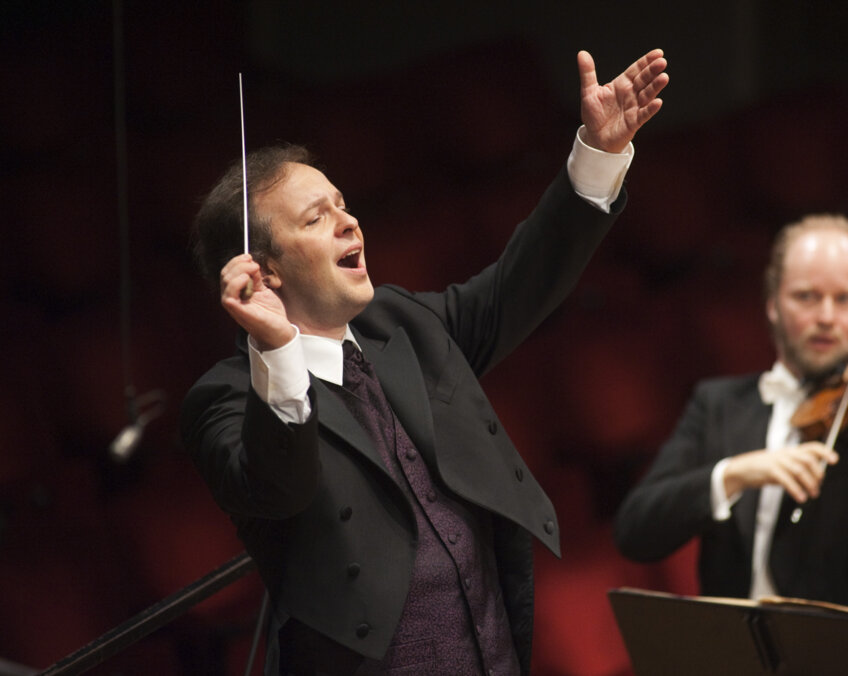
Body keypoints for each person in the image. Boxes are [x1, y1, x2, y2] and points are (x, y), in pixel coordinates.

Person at [180, 49, 668, 675]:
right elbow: (276, 489)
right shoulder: (224, 398)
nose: (348, 221)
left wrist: (597, 155)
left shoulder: (402, 325)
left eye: (342, 204)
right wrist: (276, 352)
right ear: (265, 269)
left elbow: (519, 286)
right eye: (316, 216)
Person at [614, 215, 848, 612]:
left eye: (846, 299)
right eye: (806, 297)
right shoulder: (718, 405)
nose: (827, 317)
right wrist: (734, 473)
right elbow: (635, 533)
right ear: (772, 305)